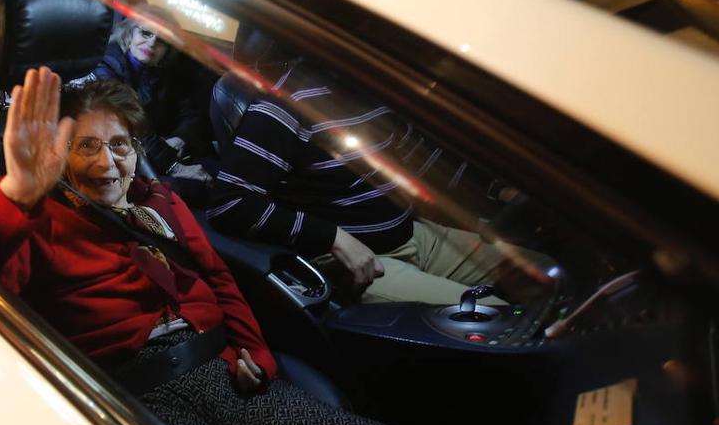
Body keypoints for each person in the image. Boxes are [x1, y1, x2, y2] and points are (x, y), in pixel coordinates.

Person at [0, 70, 400, 425]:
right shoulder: (37, 221)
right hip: (135, 392)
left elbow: (218, 279)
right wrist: (17, 195)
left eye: (119, 145)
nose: (107, 164)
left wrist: (257, 355)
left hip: (220, 368)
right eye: (86, 147)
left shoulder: (160, 203)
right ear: (59, 156)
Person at [210, 50, 550, 306]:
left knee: (545, 276)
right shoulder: (283, 107)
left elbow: (423, 159)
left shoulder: (370, 91)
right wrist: (333, 238)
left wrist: (497, 190)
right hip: (366, 261)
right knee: (495, 315)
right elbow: (230, 203)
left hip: (414, 235)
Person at [92, 13, 211, 183]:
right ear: (130, 33)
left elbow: (191, 114)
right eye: (146, 33)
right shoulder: (107, 65)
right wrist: (173, 166)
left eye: (162, 40)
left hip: (158, 151)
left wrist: (180, 138)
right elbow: (129, 122)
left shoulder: (163, 71)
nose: (153, 42)